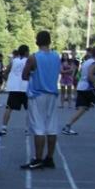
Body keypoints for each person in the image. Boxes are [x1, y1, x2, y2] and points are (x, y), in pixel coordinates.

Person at [20, 30, 61, 170]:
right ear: (49, 41)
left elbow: (24, 75)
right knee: (51, 127)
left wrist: (32, 74)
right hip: (53, 94)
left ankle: (38, 159)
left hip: (38, 94)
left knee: (38, 127)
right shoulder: (57, 56)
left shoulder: (34, 57)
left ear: (37, 41)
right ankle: (49, 158)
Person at [62, 46, 95, 135]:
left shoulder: (88, 61)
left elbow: (88, 73)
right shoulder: (94, 63)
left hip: (81, 86)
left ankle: (67, 126)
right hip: (88, 87)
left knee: (82, 108)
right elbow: (90, 75)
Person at [0, 45, 29, 135]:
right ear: (26, 52)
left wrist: (9, 81)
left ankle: (4, 128)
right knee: (29, 109)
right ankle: (27, 128)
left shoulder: (13, 61)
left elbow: (5, 72)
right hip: (25, 88)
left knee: (9, 108)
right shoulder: (28, 61)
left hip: (14, 88)